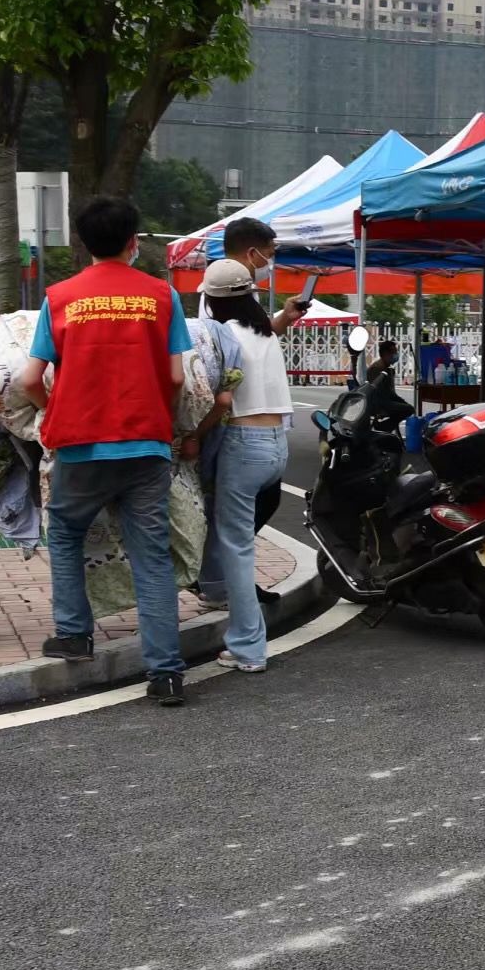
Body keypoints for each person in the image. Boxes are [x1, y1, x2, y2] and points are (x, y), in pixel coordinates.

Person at [19, 197, 192, 705]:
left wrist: (53, 410)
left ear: (83, 244)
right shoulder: (161, 296)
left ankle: (74, 633)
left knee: (68, 531)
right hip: (147, 443)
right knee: (151, 557)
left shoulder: (59, 298)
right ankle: (165, 673)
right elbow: (178, 375)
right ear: (134, 242)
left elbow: (29, 378)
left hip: (80, 445)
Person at [195, 259, 291, 672]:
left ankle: (248, 648)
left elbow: (220, 399)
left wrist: (193, 437)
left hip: (242, 441)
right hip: (277, 446)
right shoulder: (266, 332)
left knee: (237, 546)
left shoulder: (219, 334)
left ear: (211, 300)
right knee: (226, 531)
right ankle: (214, 587)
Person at [206, 217, 311, 333]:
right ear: (252, 254)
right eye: (269, 255)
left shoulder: (248, 288)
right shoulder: (218, 292)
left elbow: (261, 333)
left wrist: (286, 316)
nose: (271, 261)